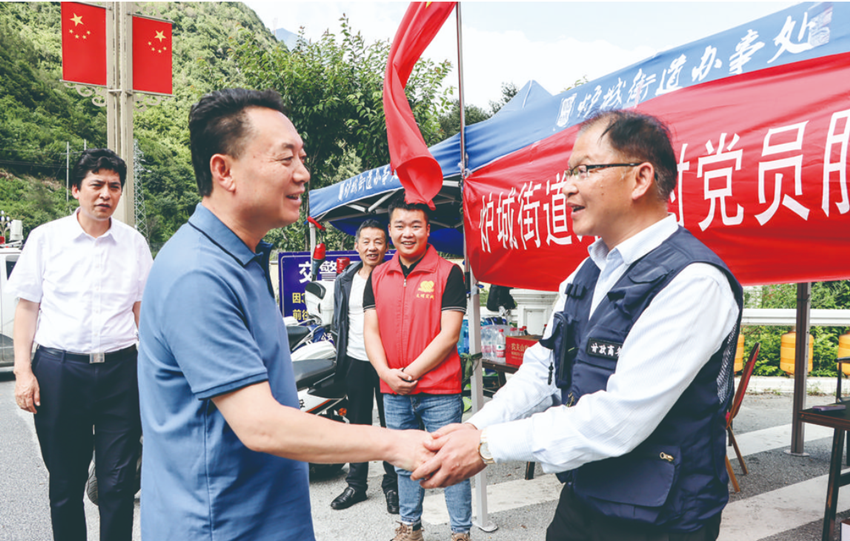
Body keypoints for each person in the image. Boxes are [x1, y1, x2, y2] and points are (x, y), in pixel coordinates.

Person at [413, 110, 744, 541]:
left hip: (663, 519)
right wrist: (476, 426)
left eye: (584, 170)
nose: (566, 186)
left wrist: (487, 446)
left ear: (641, 178)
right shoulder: (587, 272)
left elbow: (618, 419)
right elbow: (543, 369)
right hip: (587, 497)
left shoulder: (693, 281)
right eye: (568, 172)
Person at [136, 88, 432, 541]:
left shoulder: (241, 259)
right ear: (223, 170)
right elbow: (260, 425)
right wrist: (395, 442)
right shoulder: (198, 274)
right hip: (221, 526)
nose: (303, 173)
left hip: (263, 518)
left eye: (302, 157)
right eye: (285, 158)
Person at [9, 148, 153, 541]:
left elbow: (143, 313)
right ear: (76, 189)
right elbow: (27, 309)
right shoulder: (46, 239)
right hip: (59, 372)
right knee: (65, 484)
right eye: (96, 184)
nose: (106, 194)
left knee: (117, 486)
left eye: (114, 186)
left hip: (121, 373)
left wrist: (157, 372)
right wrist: (24, 372)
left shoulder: (134, 244)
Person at [364, 197, 472, 541]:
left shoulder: (448, 273)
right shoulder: (378, 275)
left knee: (452, 462)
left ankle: (460, 533)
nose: (407, 233)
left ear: (427, 229)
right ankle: (410, 528)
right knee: (402, 463)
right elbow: (370, 331)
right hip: (392, 389)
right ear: (390, 230)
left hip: (440, 389)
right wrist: (386, 373)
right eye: (399, 226)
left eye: (415, 226)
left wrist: (408, 372)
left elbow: (449, 334)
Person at [329, 219, 400, 514]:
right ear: (356, 245)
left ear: (387, 246)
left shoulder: (395, 276)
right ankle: (356, 485)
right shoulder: (345, 280)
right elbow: (339, 321)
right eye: (366, 242)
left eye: (378, 242)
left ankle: (393, 485)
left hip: (387, 362)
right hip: (355, 359)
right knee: (358, 425)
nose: (372, 247)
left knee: (390, 424)